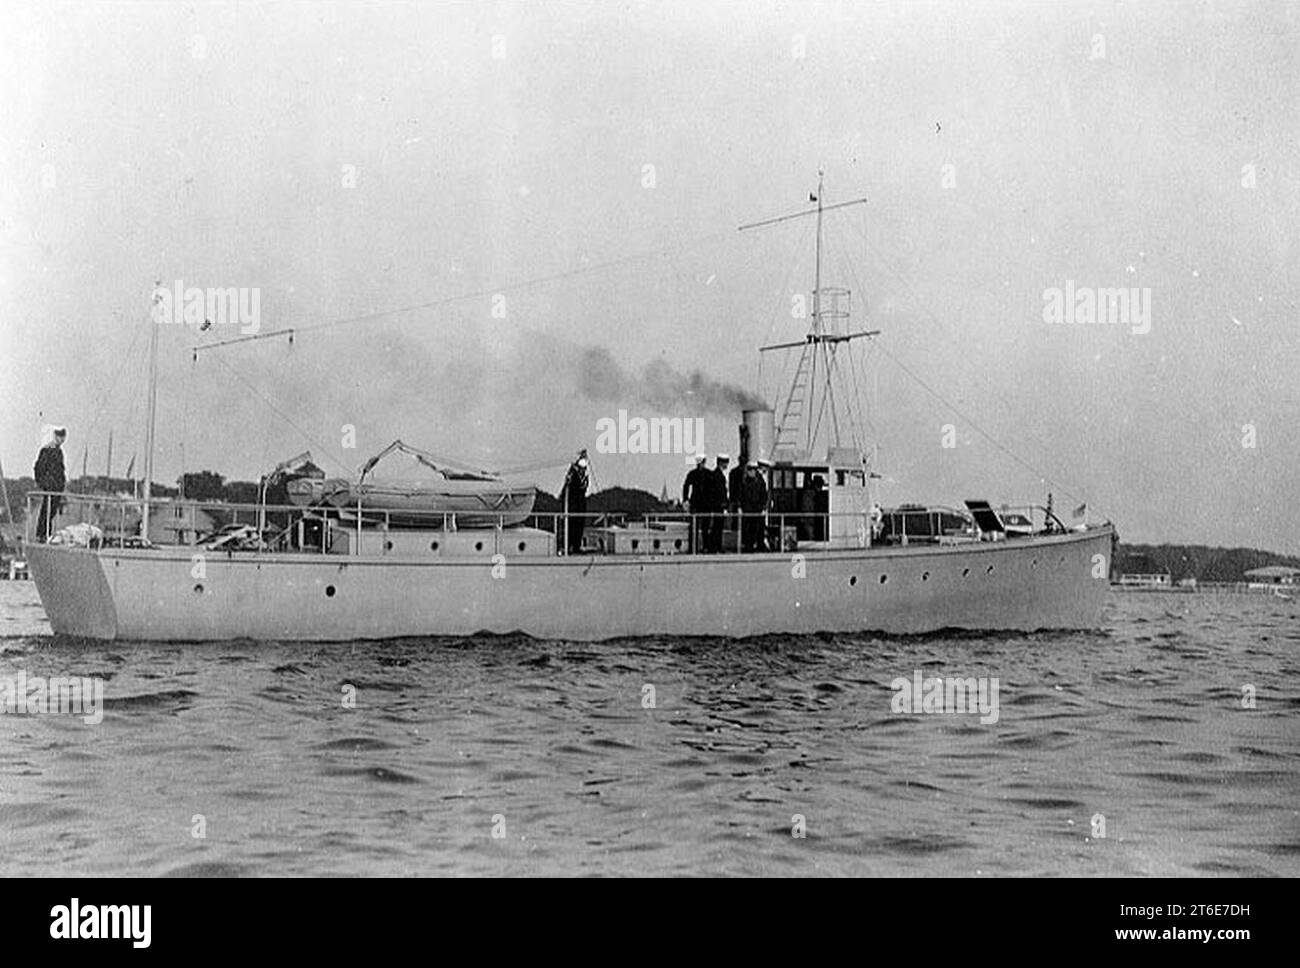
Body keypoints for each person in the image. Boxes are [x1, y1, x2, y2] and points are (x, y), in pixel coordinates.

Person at [34, 427, 67, 541]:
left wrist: (62, 486)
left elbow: (60, 471)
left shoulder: (59, 451)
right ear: (55, 436)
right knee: (46, 512)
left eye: (62, 437)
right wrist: (44, 484)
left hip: (57, 488)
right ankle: (42, 535)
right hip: (50, 487)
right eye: (59, 437)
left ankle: (47, 534)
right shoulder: (47, 450)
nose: (61, 439)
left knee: (51, 513)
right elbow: (39, 468)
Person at [560, 449, 589, 554]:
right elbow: (568, 486)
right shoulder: (573, 474)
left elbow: (585, 487)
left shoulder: (585, 476)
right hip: (572, 502)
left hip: (581, 502)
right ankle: (568, 546)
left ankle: (577, 545)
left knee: (579, 525)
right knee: (571, 525)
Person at [739, 459, 769, 553]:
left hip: (757, 509)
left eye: (753, 469)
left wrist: (763, 507)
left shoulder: (760, 482)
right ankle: (749, 546)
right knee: (747, 529)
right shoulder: (744, 482)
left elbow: (764, 495)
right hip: (747, 509)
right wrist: (740, 507)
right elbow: (740, 495)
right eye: (750, 469)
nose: (751, 472)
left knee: (758, 528)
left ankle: (759, 545)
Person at [682, 453, 709, 552]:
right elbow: (686, 486)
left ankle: (705, 547)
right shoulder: (693, 474)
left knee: (705, 527)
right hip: (696, 503)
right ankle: (694, 548)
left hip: (704, 504)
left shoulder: (707, 474)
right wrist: (686, 499)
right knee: (695, 527)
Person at [708, 454, 730, 553]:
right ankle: (716, 547)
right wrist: (724, 505)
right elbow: (720, 493)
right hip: (719, 506)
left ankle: (715, 546)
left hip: (717, 505)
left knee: (717, 527)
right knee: (717, 527)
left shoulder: (716, 475)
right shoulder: (718, 476)